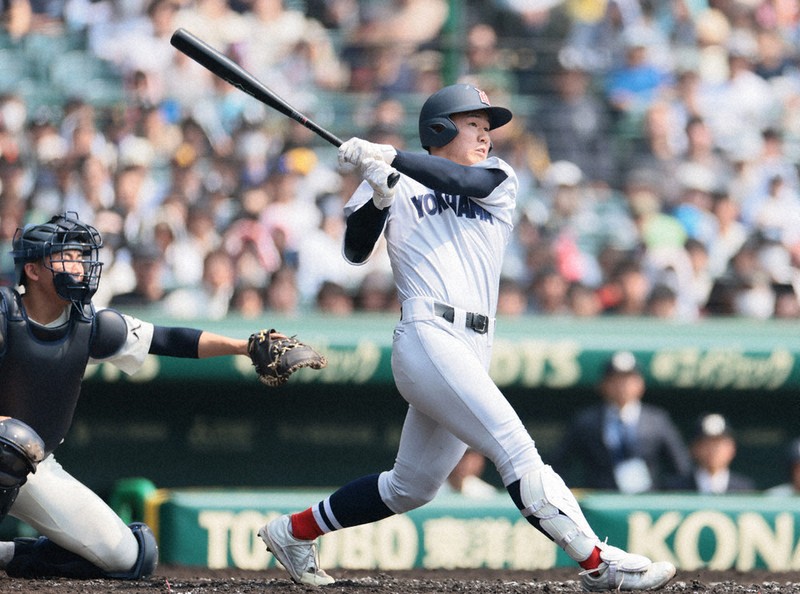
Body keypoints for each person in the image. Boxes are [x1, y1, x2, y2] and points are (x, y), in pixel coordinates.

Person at [257, 83, 676, 591]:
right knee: (517, 452)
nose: (486, 136)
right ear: (440, 128)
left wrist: (392, 158)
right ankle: (598, 564)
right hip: (428, 333)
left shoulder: (497, 176)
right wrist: (380, 193)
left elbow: (460, 180)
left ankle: (292, 532)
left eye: (487, 127)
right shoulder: (390, 176)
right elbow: (354, 251)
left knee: (410, 487)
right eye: (474, 124)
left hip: (474, 345)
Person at [0, 211, 313, 580]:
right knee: (10, 440)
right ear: (33, 271)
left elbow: (168, 339)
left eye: (82, 256)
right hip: (6, 450)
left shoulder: (90, 323)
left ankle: (7, 555)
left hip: (35, 465)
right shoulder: (6, 312)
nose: (80, 266)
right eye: (66, 256)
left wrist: (244, 347)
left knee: (131, 558)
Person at [552, 351, 692, 494]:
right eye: (615, 380)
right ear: (603, 385)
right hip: (601, 501)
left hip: (646, 501)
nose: (622, 386)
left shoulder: (657, 420)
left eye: (628, 380)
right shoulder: (586, 421)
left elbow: (681, 467)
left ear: (640, 384)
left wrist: (662, 495)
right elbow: (560, 463)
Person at [666, 413, 756, 494]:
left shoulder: (744, 489)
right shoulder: (676, 489)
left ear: (731, 448)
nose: (713, 450)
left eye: (718, 444)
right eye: (707, 444)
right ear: (694, 448)